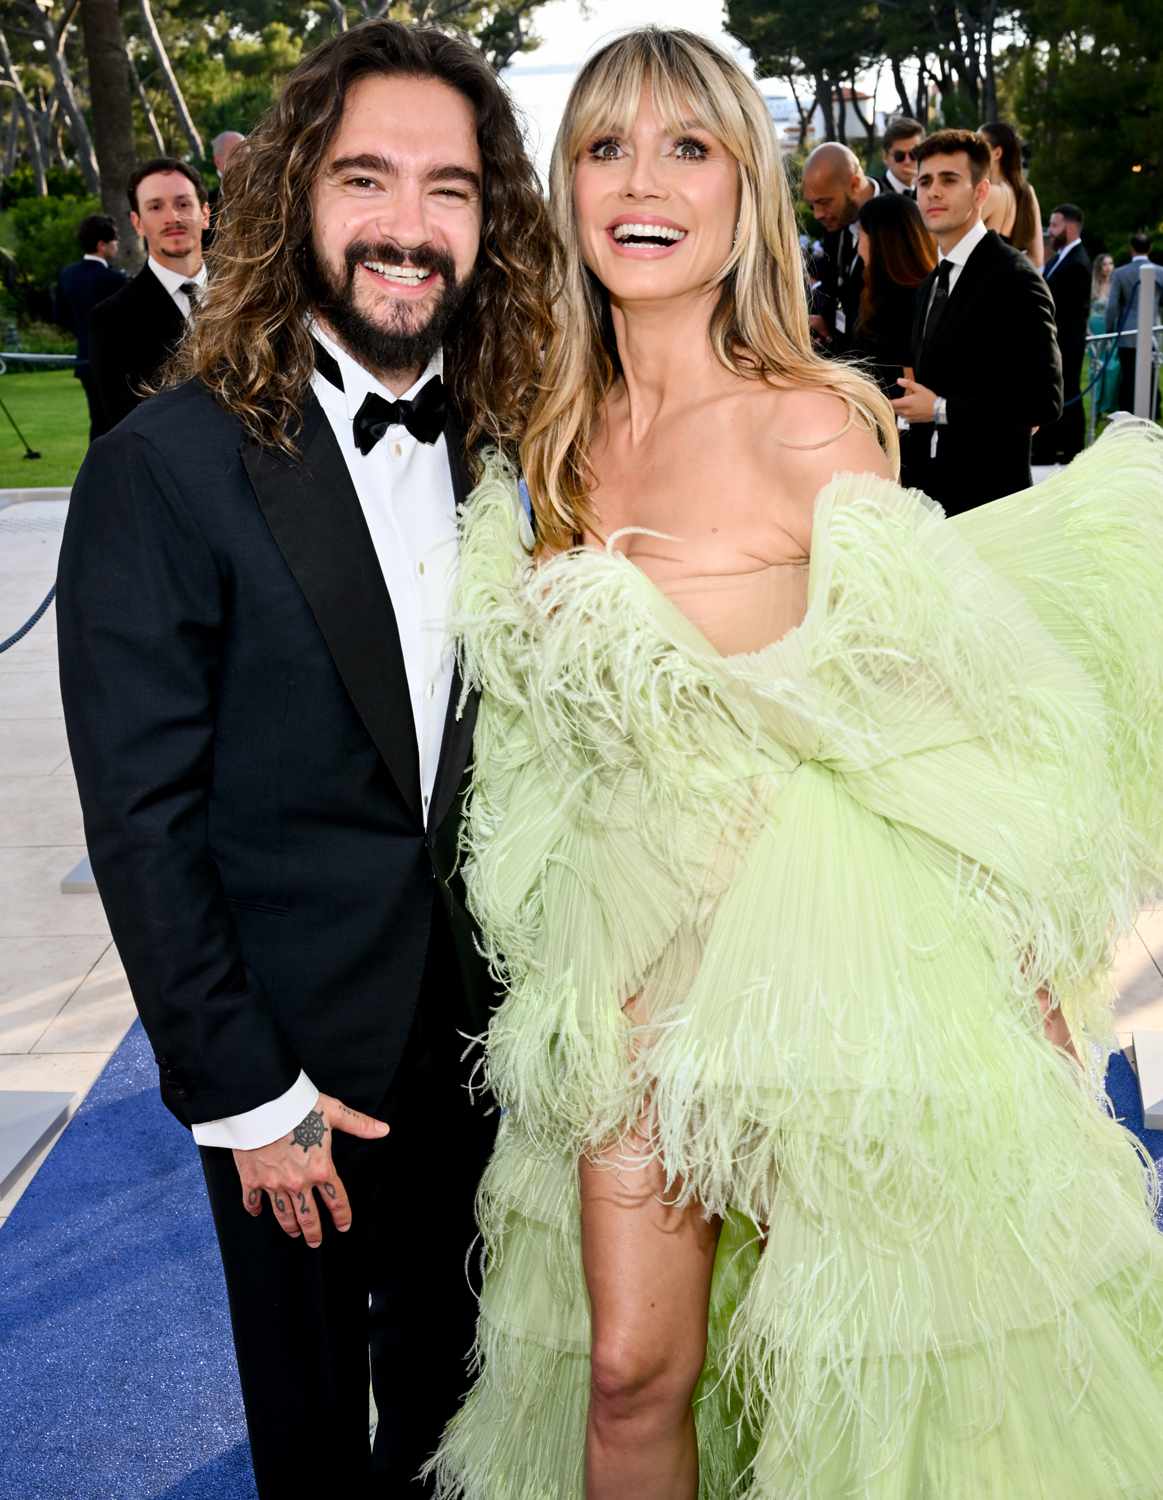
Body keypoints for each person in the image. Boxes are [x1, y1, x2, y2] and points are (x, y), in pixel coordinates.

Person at [426, 28, 1163, 1500]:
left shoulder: (812, 424)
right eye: (603, 147)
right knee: (632, 1371)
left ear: (744, 195)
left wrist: (1016, 985)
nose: (642, 182)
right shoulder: (550, 436)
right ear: (563, 188)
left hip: (818, 973)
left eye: (687, 147)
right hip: (626, 969)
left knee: (864, 1375)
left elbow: (923, 713)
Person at [56, 20, 554, 1498]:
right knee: (313, 1439)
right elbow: (143, 822)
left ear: (491, 219)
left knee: (466, 1419)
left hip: (490, 1050)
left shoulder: (515, 441)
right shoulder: (166, 469)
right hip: (293, 1078)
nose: (409, 227)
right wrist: (246, 1094)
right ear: (290, 200)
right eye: (367, 179)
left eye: (450, 189)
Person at [893, 128, 1061, 512]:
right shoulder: (929, 285)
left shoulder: (1015, 277)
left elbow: (1043, 400)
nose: (933, 191)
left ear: (981, 192)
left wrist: (940, 410)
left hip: (993, 506)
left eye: (949, 180)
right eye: (925, 181)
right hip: (931, 505)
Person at [87, 157, 209, 432]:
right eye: (155, 207)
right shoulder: (112, 320)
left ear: (205, 213)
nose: (172, 217)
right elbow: (119, 428)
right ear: (137, 222)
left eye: (183, 204)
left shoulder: (250, 297)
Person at [850, 190, 935, 394]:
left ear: (879, 242)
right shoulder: (924, 292)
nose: (857, 245)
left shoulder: (901, 305)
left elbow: (909, 387)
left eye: (860, 234)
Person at [54, 212, 126, 440]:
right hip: (116, 362)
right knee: (119, 422)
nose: (117, 244)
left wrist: (82, 334)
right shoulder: (114, 280)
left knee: (98, 422)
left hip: (85, 358)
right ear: (102, 245)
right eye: (115, 240)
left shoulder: (68, 275)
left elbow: (59, 315)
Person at [802, 141, 878, 351]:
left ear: (854, 185)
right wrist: (826, 322)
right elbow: (834, 285)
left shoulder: (899, 216)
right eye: (812, 205)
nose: (817, 214)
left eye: (824, 202)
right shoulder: (837, 219)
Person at [1032, 202, 1091, 464]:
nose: (1051, 232)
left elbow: (1062, 306)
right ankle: (1048, 447)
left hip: (1067, 341)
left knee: (1069, 396)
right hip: (1054, 340)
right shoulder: (1059, 258)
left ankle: (1072, 451)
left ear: (1068, 226)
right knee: (1053, 394)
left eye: (1054, 226)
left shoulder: (1078, 262)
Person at [1106, 232, 1163, 416]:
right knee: (1151, 375)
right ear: (1150, 248)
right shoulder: (1160, 272)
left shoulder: (1121, 273)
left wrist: (1110, 330)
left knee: (1129, 375)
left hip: (1128, 333)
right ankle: (1152, 412)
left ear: (1131, 249)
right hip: (1153, 331)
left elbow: (1113, 305)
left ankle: (1129, 412)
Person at [978, 121, 1043, 268]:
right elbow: (1037, 259)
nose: (972, 152)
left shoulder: (991, 193)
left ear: (997, 153)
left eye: (979, 145)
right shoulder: (1026, 191)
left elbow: (953, 238)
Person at [1089, 251, 1120, 419]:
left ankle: (1109, 406)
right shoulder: (1092, 285)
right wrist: (1088, 332)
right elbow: (1086, 311)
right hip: (1095, 330)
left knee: (1112, 368)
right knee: (1096, 368)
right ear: (1099, 267)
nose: (1109, 268)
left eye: (1111, 263)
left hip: (1112, 330)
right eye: (1105, 264)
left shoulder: (1117, 284)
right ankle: (1096, 407)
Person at [880, 115, 923, 197]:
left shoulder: (926, 192)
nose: (907, 161)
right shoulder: (875, 194)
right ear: (885, 157)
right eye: (899, 156)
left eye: (914, 154)